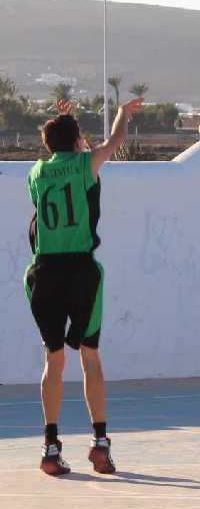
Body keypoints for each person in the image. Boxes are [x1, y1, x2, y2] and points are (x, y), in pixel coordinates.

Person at [26, 96, 144, 475]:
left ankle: (49, 446)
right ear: (77, 141)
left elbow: (61, 153)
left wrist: (67, 121)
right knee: (90, 356)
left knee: (53, 359)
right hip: (79, 270)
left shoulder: (36, 173)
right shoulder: (84, 164)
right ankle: (100, 443)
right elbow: (114, 141)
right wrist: (124, 113)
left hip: (43, 271)